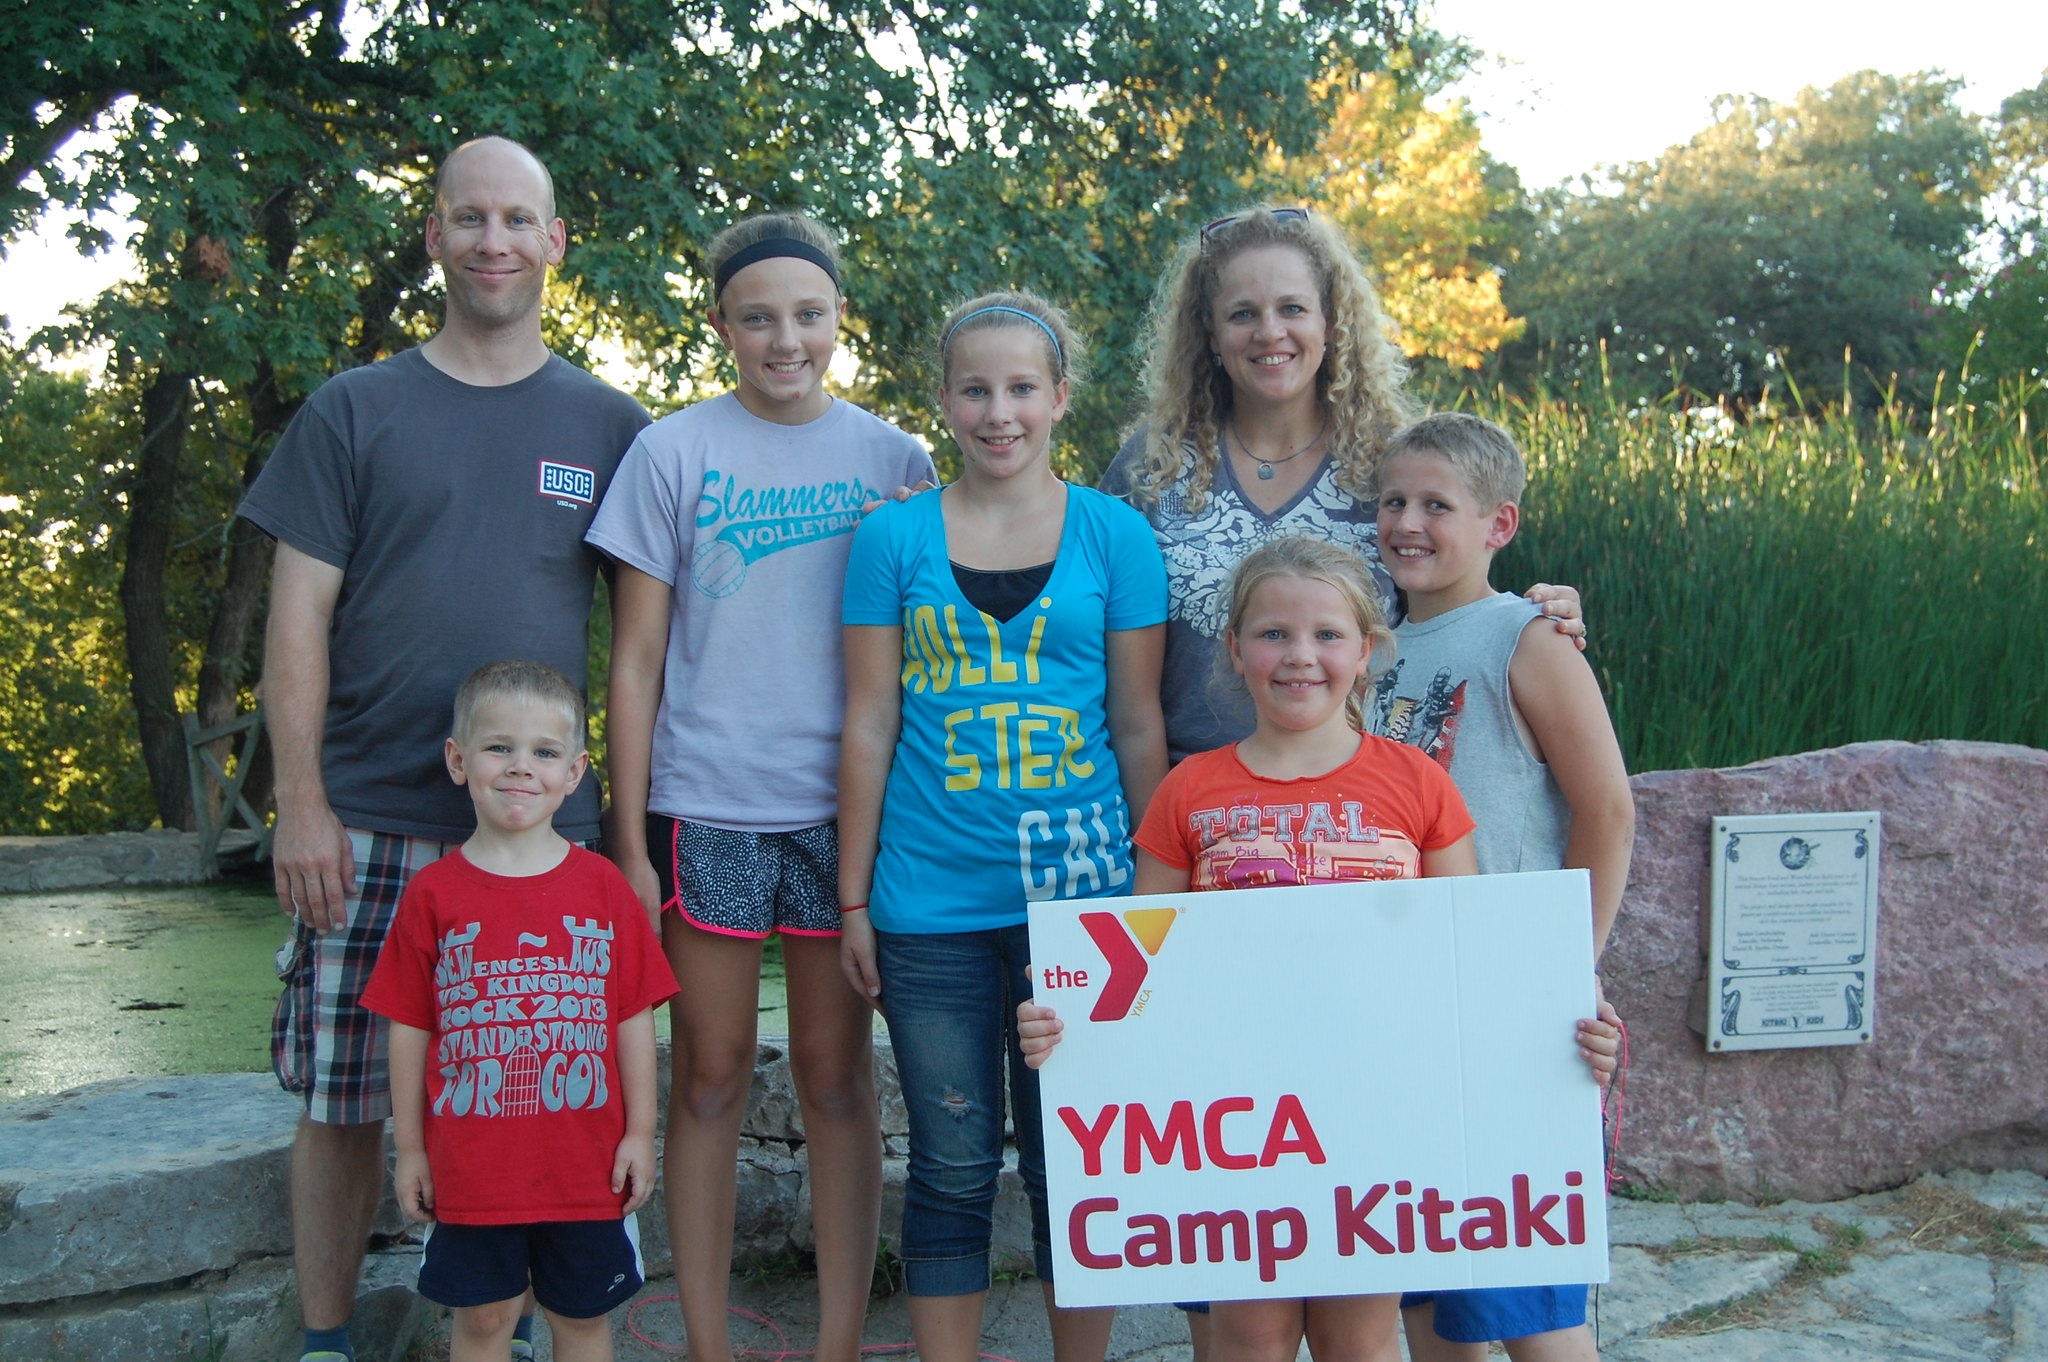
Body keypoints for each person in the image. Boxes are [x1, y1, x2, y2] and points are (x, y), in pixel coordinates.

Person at [239, 136, 651, 1362]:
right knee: (343, 1093)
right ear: (432, 236)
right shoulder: (351, 410)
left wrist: (623, 840)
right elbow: (294, 619)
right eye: (468, 218)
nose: (492, 242)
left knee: (540, 1092)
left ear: (555, 241)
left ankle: (510, 1325)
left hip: (544, 834)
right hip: (364, 816)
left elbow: (638, 657)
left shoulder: (609, 423)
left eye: (517, 220)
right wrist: (299, 801)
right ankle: (325, 1340)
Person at [1019, 536, 1619, 1362]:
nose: (1300, 656)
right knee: (1251, 1336)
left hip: (1375, 1119)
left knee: (1357, 1336)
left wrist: (1561, 1014)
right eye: (1273, 634)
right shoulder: (1186, 792)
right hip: (1236, 1128)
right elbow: (1139, 970)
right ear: (1234, 650)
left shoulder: (1419, 784)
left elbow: (1470, 957)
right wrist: (1068, 1025)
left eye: (1328, 635)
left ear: (1368, 650)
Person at [586, 213, 935, 1362]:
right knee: (712, 1078)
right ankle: (706, 1345)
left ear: (838, 319)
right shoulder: (672, 453)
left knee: (837, 1082)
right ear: (721, 324)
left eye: (807, 314)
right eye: (757, 317)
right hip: (708, 805)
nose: (784, 339)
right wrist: (630, 841)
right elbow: (633, 661)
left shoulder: (896, 462)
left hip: (845, 814)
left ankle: (836, 1341)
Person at [837, 291, 1169, 1362]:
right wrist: (852, 898)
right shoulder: (889, 539)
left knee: (1078, 1159)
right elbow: (868, 724)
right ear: (941, 399)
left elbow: (1135, 723)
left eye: (1021, 386)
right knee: (948, 1160)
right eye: (974, 388)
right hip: (927, 904)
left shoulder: (1117, 536)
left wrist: (1156, 900)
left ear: (1059, 397)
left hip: (1082, 908)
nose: (998, 411)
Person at [1099, 204, 1584, 766]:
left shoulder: (1394, 465)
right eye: (1241, 314)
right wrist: (1163, 830)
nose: (1269, 332)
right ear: (1208, 332)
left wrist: (1536, 616)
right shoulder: (1150, 467)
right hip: (1193, 808)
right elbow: (1105, 660)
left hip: (1362, 812)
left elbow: (1461, 605)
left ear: (1331, 322)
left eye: (1293, 308)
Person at [1364, 413, 1634, 1362]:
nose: (1408, 521)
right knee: (1432, 1294)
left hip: (1507, 1007)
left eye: (1437, 504)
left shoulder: (1527, 637)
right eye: (1394, 500)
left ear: (1499, 524)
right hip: (1404, 1008)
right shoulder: (1373, 650)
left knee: (1530, 1307)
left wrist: (1565, 968)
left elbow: (1607, 809)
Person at [360, 661, 678, 1362]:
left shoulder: (603, 889)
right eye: (499, 747)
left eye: (544, 752)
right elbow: (409, 1028)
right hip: (473, 1168)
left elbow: (632, 1017)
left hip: (586, 1166)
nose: (519, 768)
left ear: (575, 772)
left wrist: (640, 1133)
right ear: (458, 758)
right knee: (482, 1321)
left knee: (582, 1319)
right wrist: (410, 1148)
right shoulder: (432, 896)